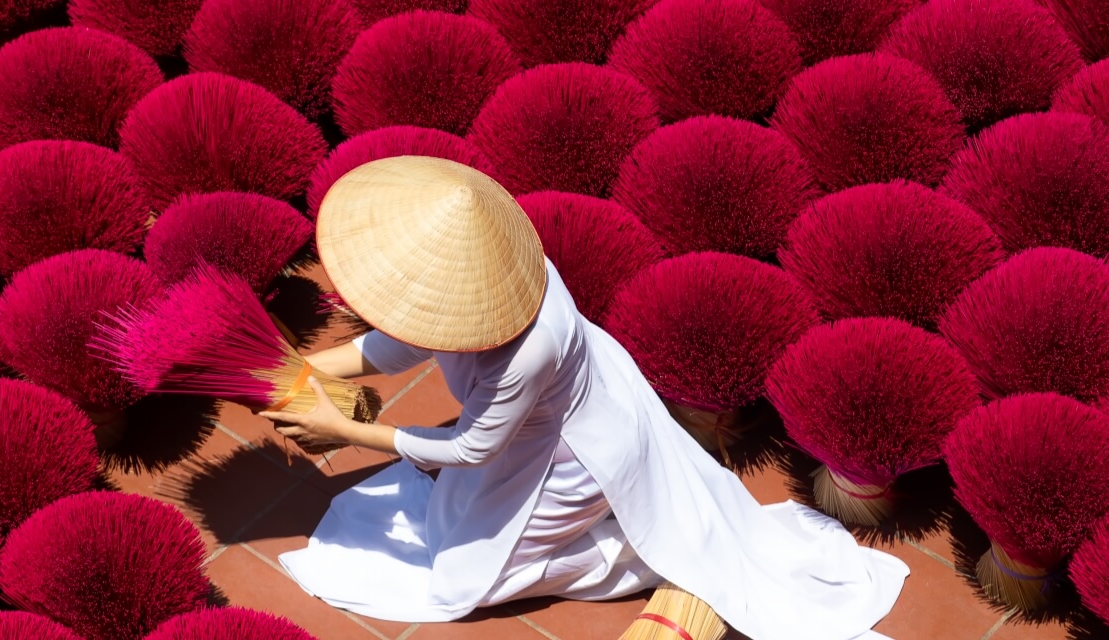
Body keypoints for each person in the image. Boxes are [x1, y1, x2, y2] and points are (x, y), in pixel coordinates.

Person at [261, 156, 907, 639]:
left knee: (466, 581)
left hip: (574, 451)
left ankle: (647, 553)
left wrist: (343, 430)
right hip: (533, 432)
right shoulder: (488, 277)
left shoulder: (526, 346)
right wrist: (302, 371)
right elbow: (401, 345)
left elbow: (472, 445)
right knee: (447, 526)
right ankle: (651, 530)